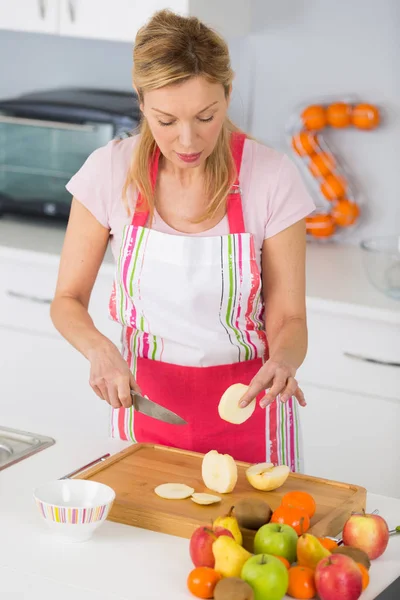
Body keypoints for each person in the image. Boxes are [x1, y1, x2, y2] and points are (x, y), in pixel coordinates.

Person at [50, 9, 315, 470]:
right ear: (141, 100)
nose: (188, 140)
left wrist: (285, 362)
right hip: (145, 414)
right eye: (166, 120)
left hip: (251, 415)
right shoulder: (108, 172)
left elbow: (289, 316)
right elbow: (67, 299)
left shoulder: (271, 178)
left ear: (228, 95)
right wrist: (99, 351)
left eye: (206, 116)